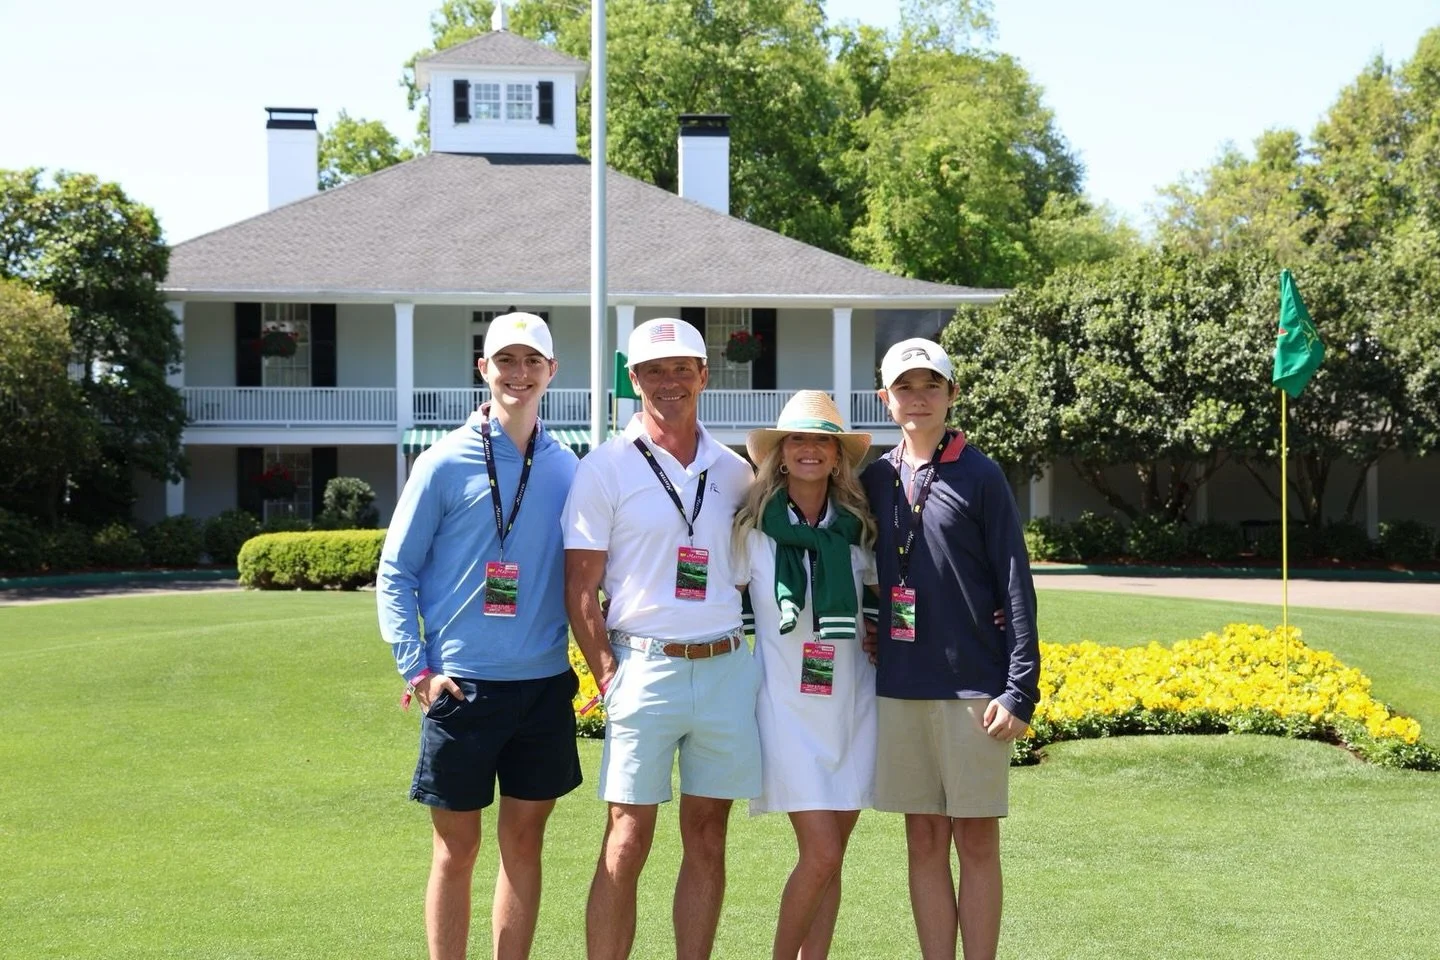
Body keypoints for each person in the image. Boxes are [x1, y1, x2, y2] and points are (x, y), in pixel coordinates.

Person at [377, 311, 582, 960]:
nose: (517, 374)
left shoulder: (568, 467)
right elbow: (396, 573)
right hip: (462, 690)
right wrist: (417, 668)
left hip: (544, 688)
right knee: (456, 850)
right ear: (483, 369)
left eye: (531, 362)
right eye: (505, 361)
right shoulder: (442, 463)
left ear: (552, 371)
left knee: (524, 847)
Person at [562, 317, 758, 960]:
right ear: (634, 379)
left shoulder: (736, 472)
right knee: (626, 836)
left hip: (726, 664)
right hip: (642, 665)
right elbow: (580, 587)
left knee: (707, 837)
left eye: (681, 369)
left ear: (704, 375)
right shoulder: (605, 468)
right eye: (653, 370)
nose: (668, 382)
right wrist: (607, 674)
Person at [859, 338, 1041, 960]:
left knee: (978, 842)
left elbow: (1015, 581)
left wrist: (1020, 687)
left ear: (952, 395)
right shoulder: (873, 478)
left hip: (975, 690)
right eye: (904, 388)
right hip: (902, 684)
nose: (918, 398)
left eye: (930, 385)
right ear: (885, 400)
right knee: (923, 841)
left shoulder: (980, 473)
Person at [731, 390, 878, 960]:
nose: (810, 449)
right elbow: (717, 605)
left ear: (838, 457)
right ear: (781, 453)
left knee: (832, 858)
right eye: (798, 439)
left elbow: (887, 605)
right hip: (787, 710)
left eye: (822, 440)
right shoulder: (751, 530)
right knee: (819, 854)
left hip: (852, 707)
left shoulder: (859, 530)